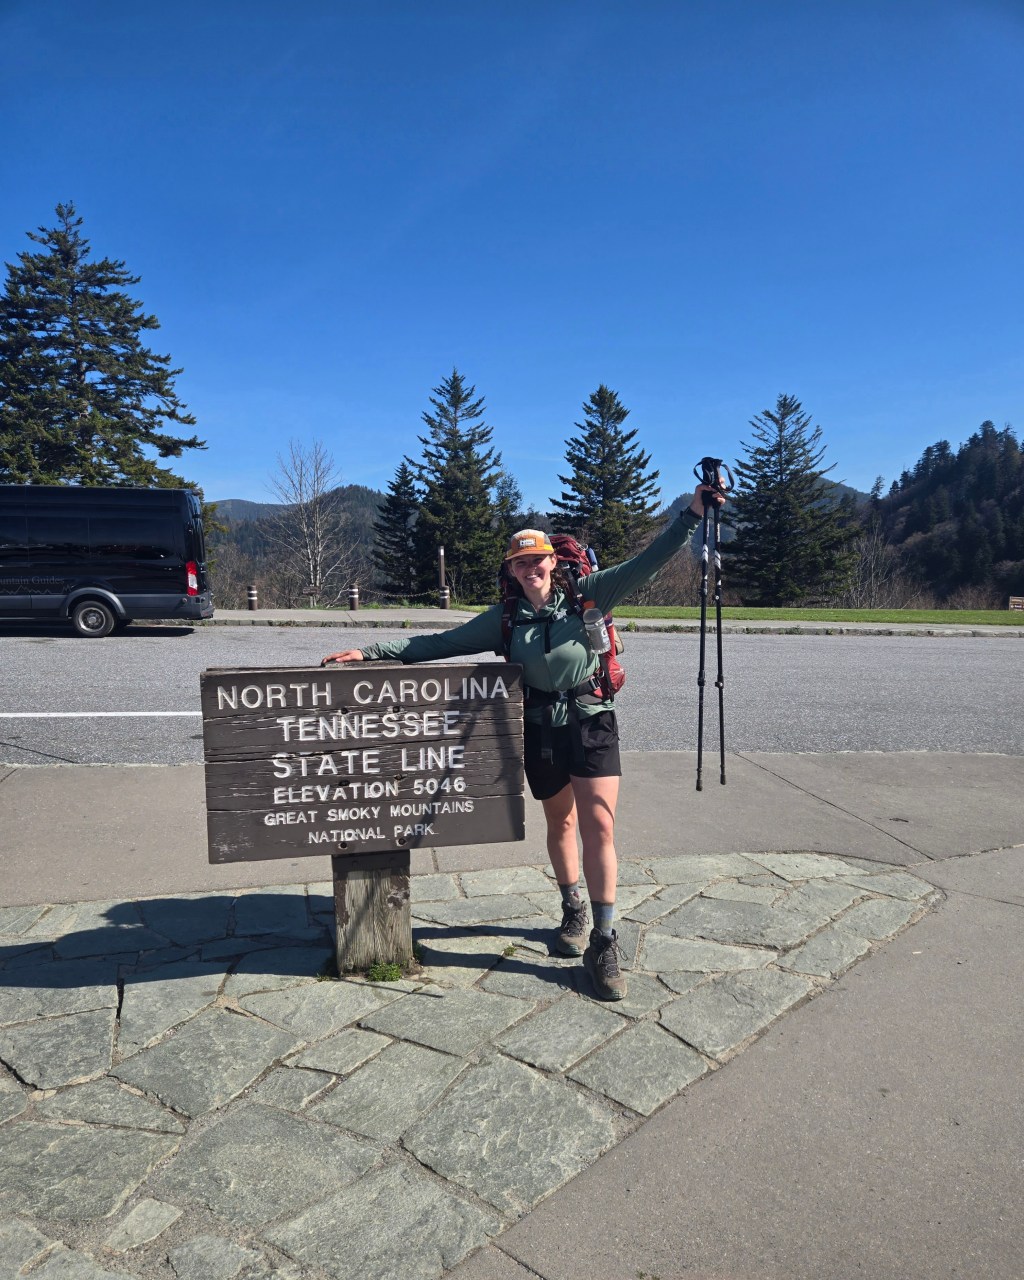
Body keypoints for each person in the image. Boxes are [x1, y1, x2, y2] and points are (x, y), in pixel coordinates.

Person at [322, 483, 726, 1000]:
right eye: (520, 562)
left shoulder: (591, 592)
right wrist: (372, 652)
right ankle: (573, 908)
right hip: (540, 727)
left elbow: (650, 560)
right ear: (511, 570)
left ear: (553, 561)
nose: (530, 568)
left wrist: (692, 513)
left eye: (537, 559)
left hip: (592, 720)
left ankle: (604, 940)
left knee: (600, 824)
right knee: (561, 822)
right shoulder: (505, 619)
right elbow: (438, 643)